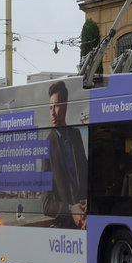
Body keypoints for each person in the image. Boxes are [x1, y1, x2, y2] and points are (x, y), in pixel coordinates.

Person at [44, 81, 88, 228]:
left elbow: (85, 176)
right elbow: (46, 204)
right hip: (65, 225)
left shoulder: (75, 136)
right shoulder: (47, 145)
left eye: (56, 106)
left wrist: (86, 204)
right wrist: (71, 209)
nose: (52, 113)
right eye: (50, 107)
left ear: (66, 105)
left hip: (85, 219)